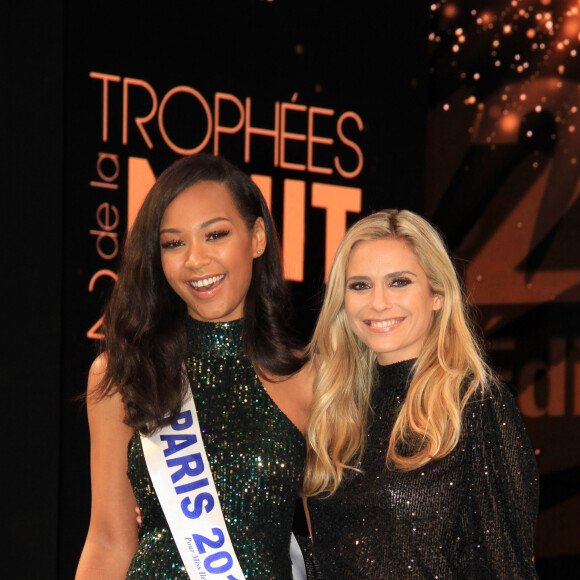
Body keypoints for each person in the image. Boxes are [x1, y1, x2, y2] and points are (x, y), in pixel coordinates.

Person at [76, 153, 314, 579]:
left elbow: (337, 541)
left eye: (215, 234)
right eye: (173, 243)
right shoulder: (122, 376)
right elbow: (109, 540)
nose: (195, 260)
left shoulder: (308, 379)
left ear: (257, 237)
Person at [302, 209, 539, 579]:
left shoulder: (474, 403)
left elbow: (505, 564)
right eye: (360, 285)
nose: (378, 302)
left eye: (399, 282)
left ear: (437, 295)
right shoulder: (336, 408)